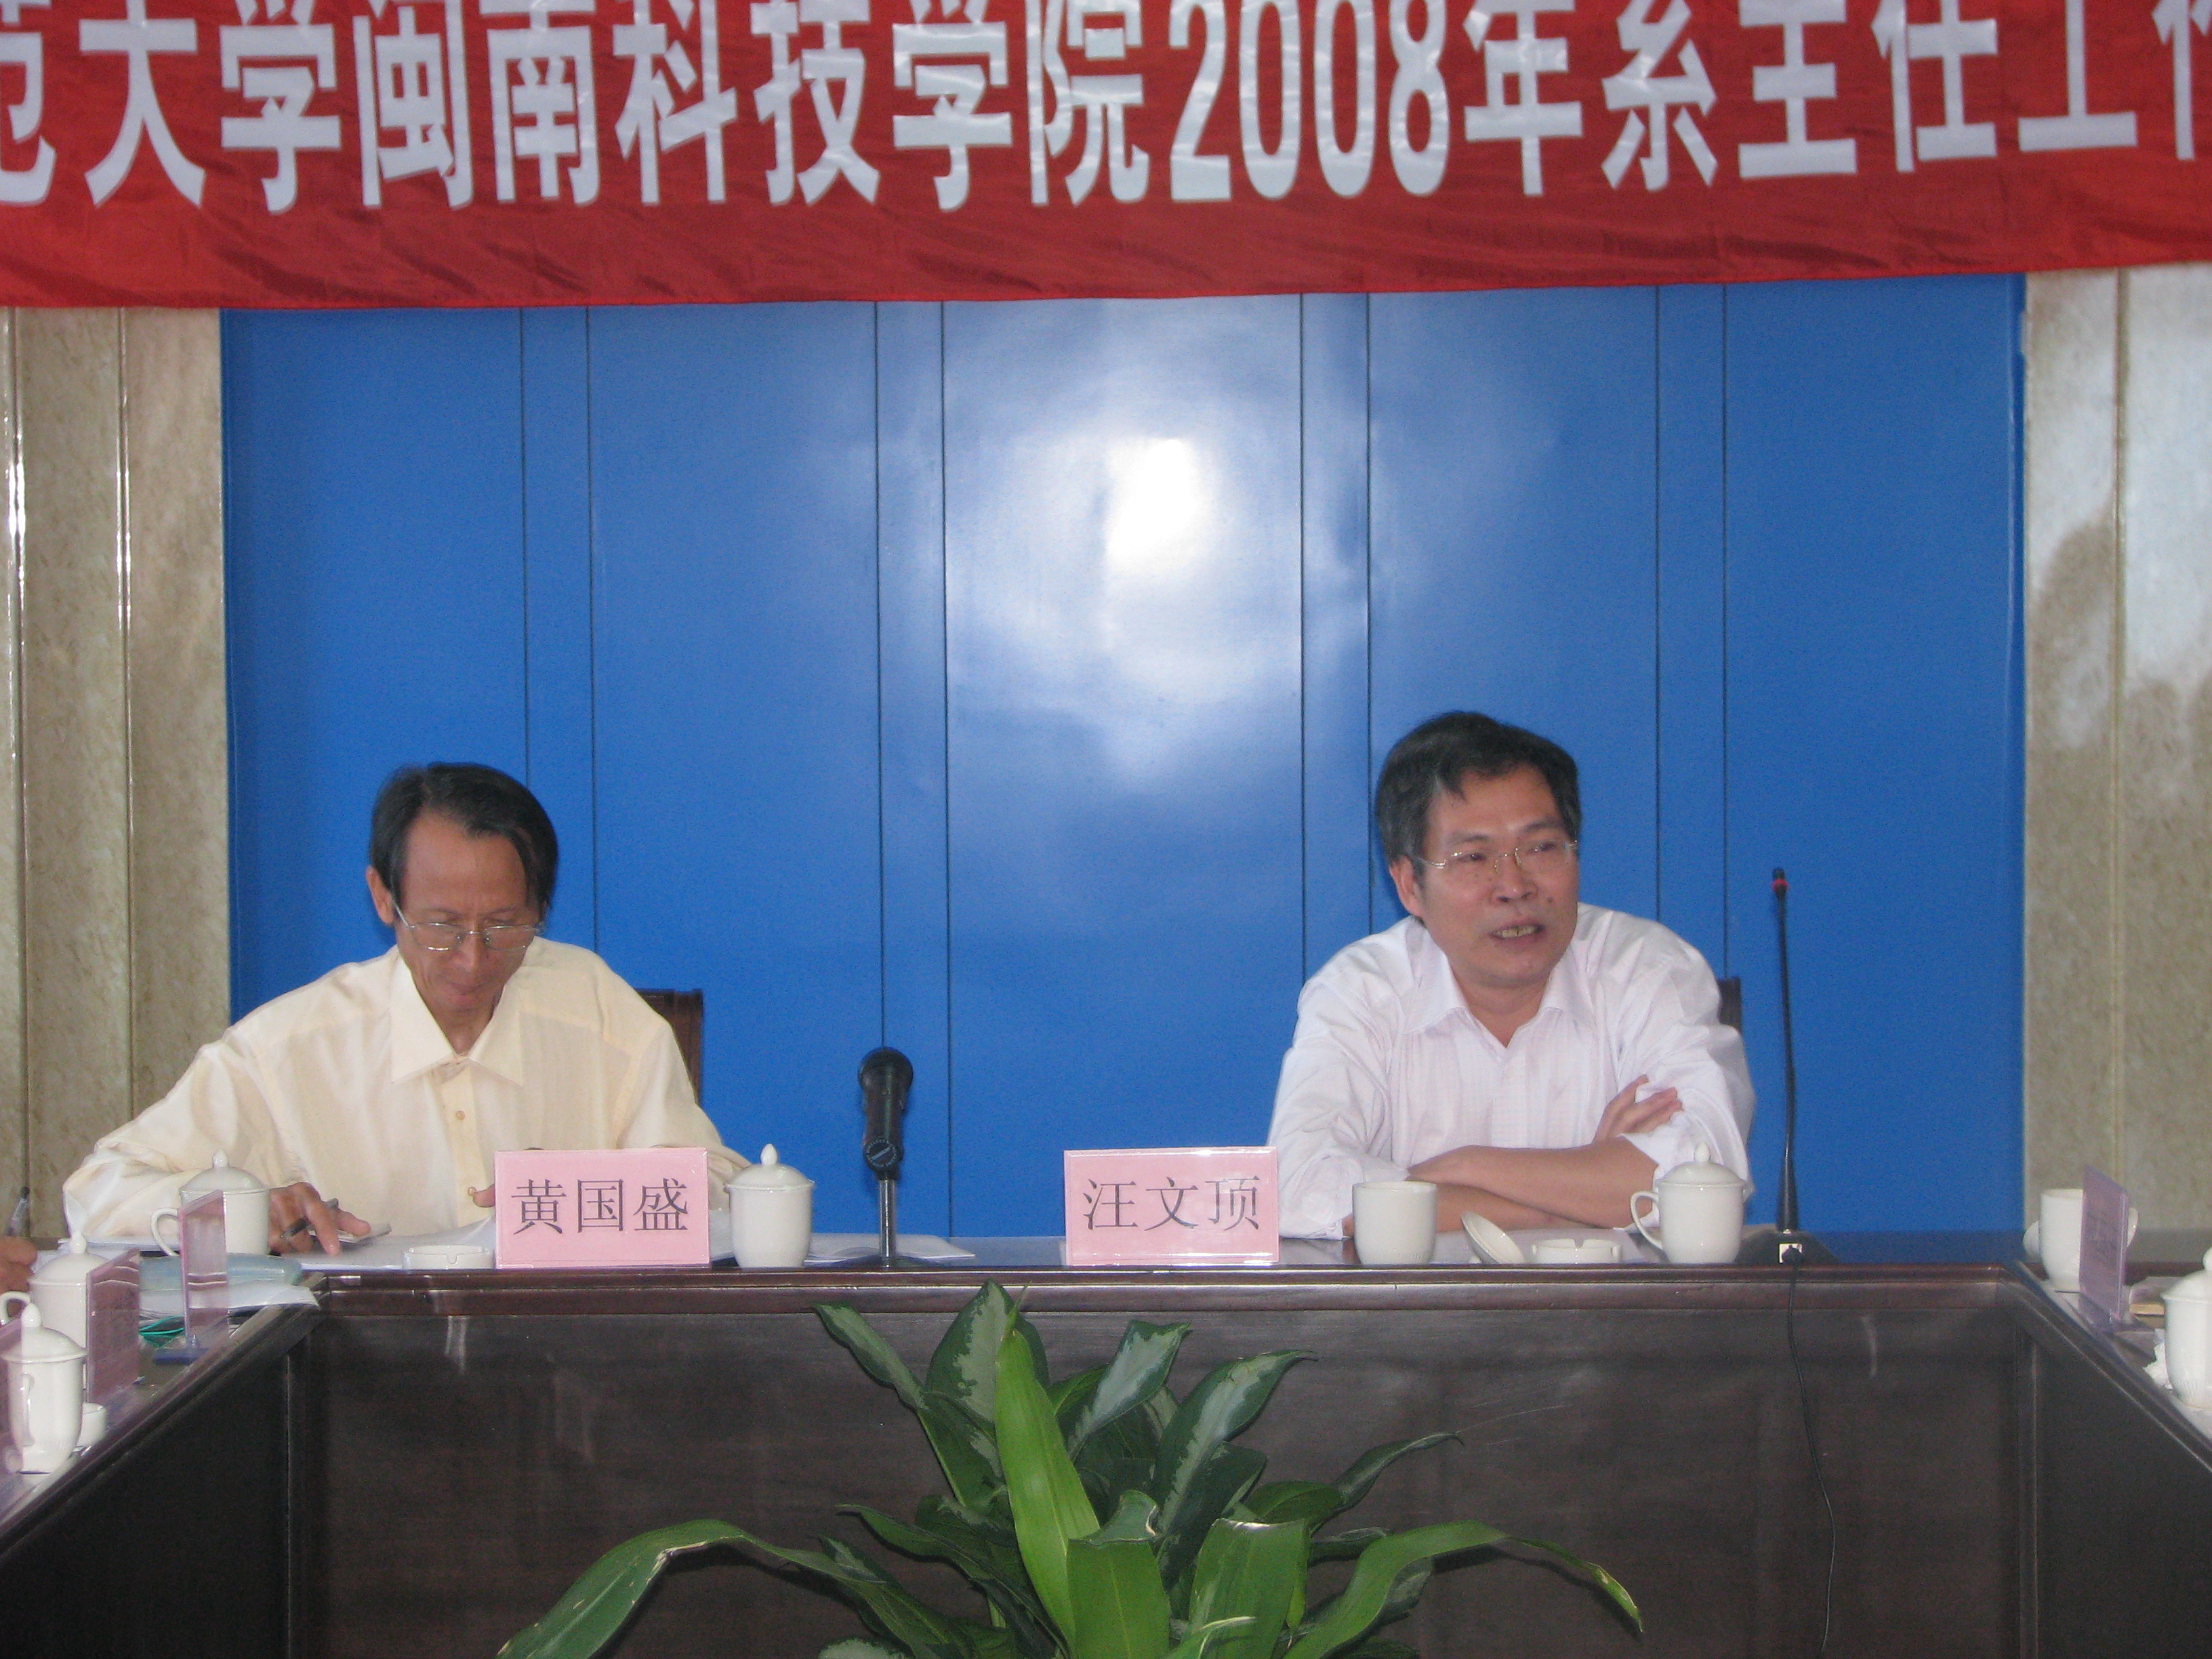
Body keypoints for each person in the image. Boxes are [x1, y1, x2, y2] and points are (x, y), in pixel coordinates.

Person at [65, 763, 744, 1252]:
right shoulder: (288, 1047)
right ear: (384, 898)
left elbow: (718, 1188)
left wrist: (583, 1191)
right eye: (442, 926)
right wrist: (241, 1211)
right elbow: (98, 1191)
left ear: (541, 908)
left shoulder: (597, 1011)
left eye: (505, 926)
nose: (472, 959)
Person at [1269, 712, 1753, 1240]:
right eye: (1474, 857)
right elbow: (1297, 1187)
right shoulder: (1362, 991)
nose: (1514, 886)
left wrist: (1465, 1167)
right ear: (1409, 886)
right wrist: (1578, 1198)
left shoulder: (1647, 969)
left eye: (1541, 848)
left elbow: (1704, 1172)